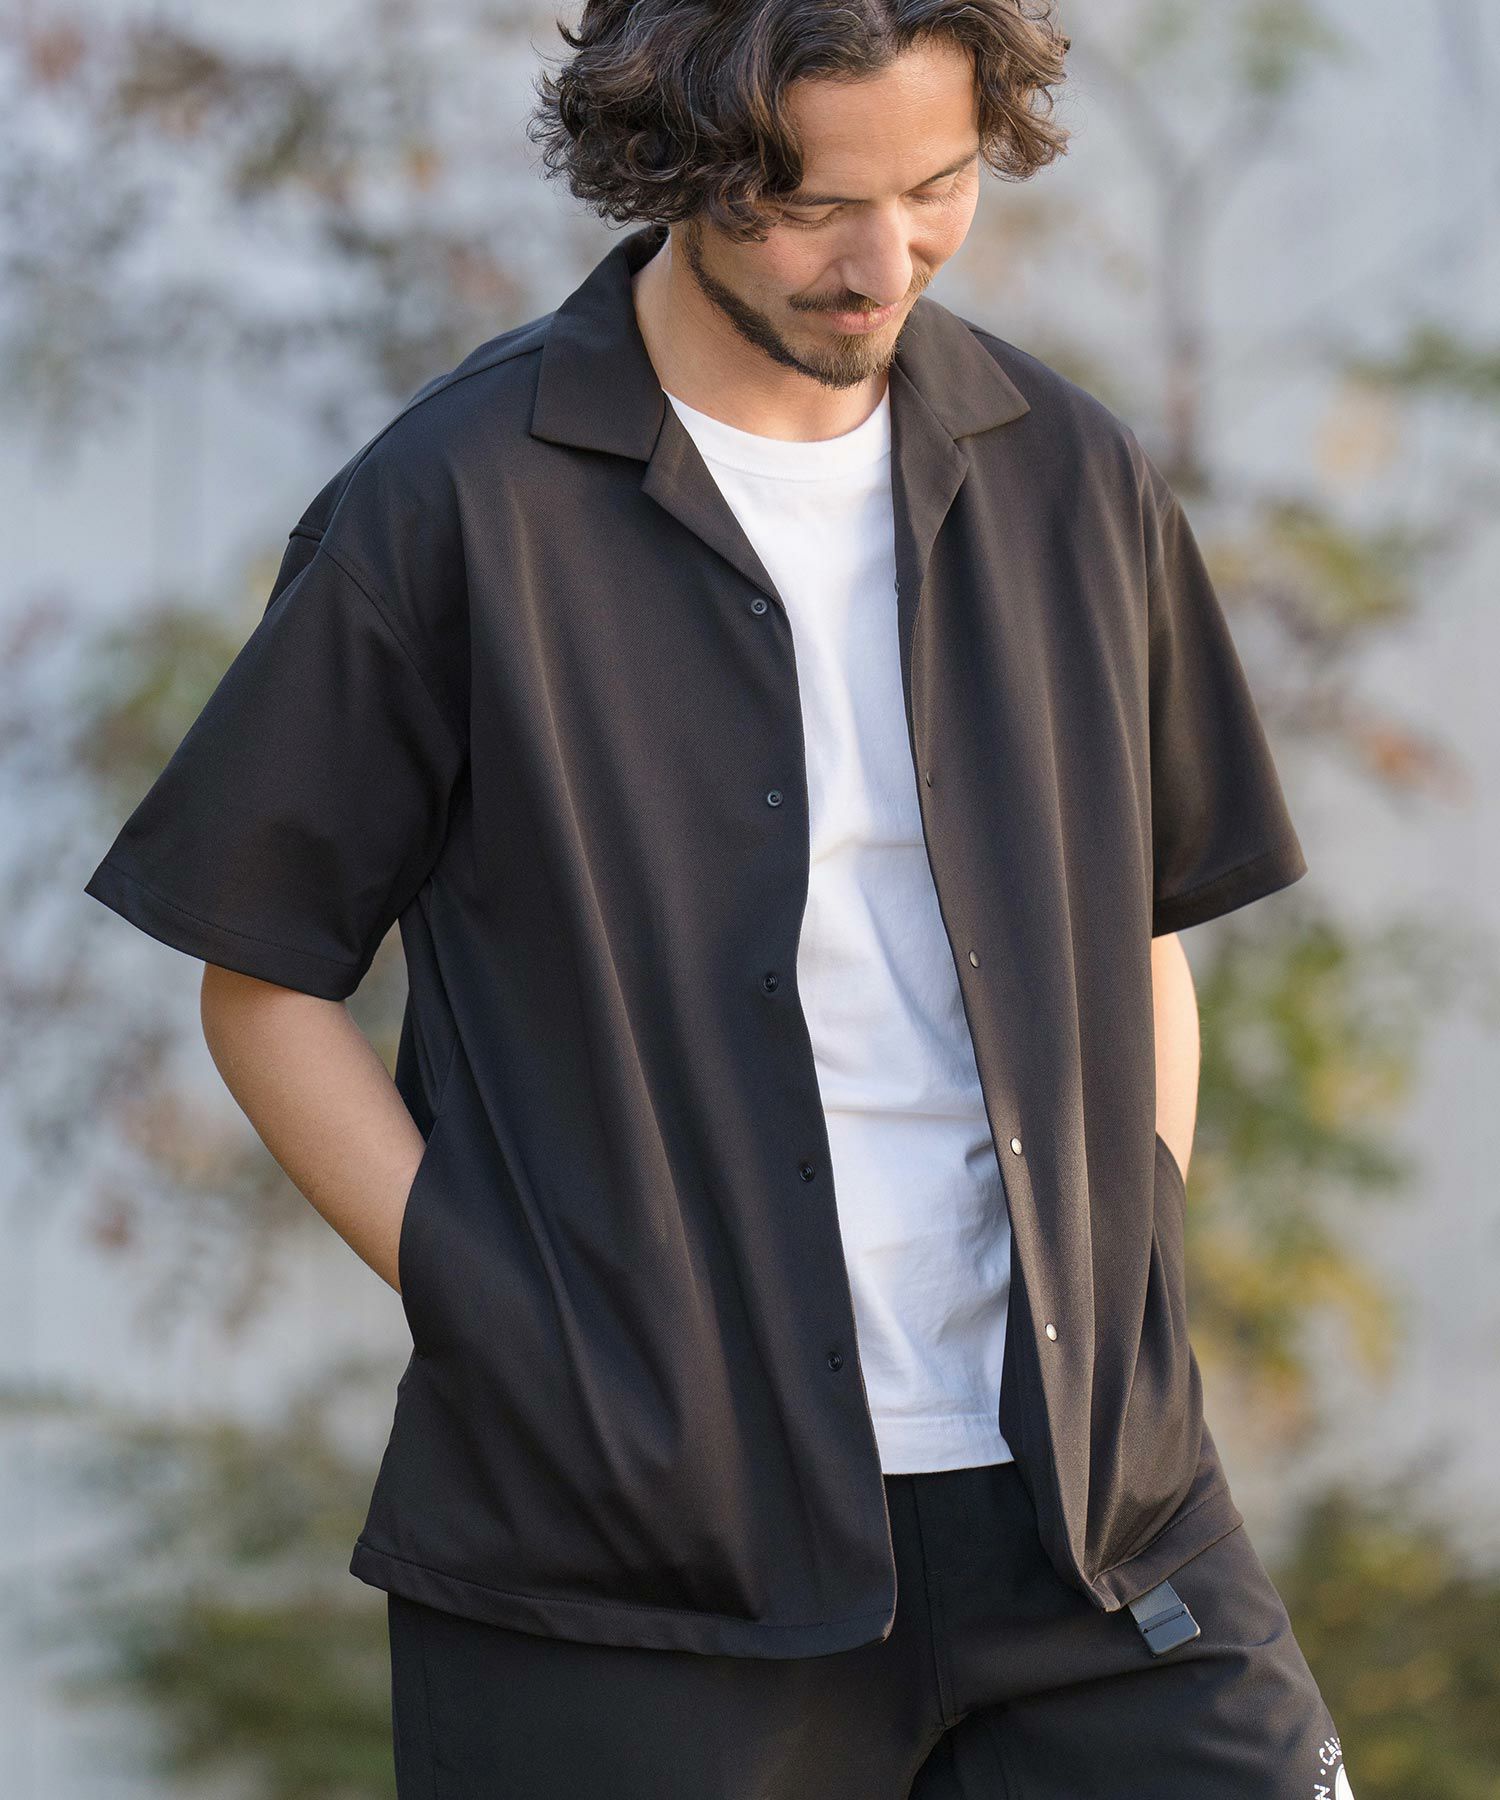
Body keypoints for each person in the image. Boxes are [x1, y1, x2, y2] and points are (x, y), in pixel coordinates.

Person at [83, 1, 1357, 1793]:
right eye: (812, 204)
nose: (881, 262)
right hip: (629, 1563)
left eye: (937, 187)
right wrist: (511, 1316)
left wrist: (1131, 1233)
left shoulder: (1069, 477)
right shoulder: (453, 506)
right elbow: (261, 980)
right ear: (672, 163)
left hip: (1094, 1516)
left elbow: (1133, 918)